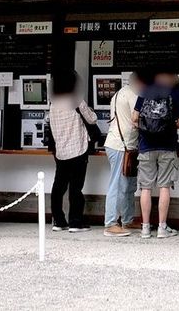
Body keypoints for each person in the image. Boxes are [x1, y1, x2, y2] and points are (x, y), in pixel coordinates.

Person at [132, 69, 179, 239]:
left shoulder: (145, 92)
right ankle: (162, 228)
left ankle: (145, 228)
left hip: (146, 145)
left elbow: (134, 117)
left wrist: (145, 126)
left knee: (146, 188)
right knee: (164, 186)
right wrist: (169, 124)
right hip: (167, 146)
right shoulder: (176, 93)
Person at [44, 70, 98, 233]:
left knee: (58, 186)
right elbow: (92, 118)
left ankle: (58, 220)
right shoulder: (75, 100)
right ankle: (75, 222)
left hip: (61, 151)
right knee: (76, 187)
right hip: (78, 150)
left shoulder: (53, 104)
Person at [102, 70, 145, 237]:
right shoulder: (133, 94)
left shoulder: (118, 93)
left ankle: (127, 219)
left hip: (121, 144)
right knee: (117, 184)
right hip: (121, 145)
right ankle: (110, 223)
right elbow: (137, 118)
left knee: (128, 185)